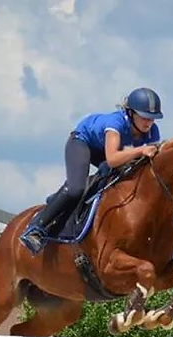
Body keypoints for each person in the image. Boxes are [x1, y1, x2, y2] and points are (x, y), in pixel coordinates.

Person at [20, 87, 164, 255]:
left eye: (152, 118)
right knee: (77, 189)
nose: (149, 122)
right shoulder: (115, 123)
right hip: (82, 143)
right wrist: (140, 151)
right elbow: (112, 158)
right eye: (144, 117)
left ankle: (68, 202)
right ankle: (37, 227)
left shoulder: (152, 132)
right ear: (131, 113)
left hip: (106, 150)